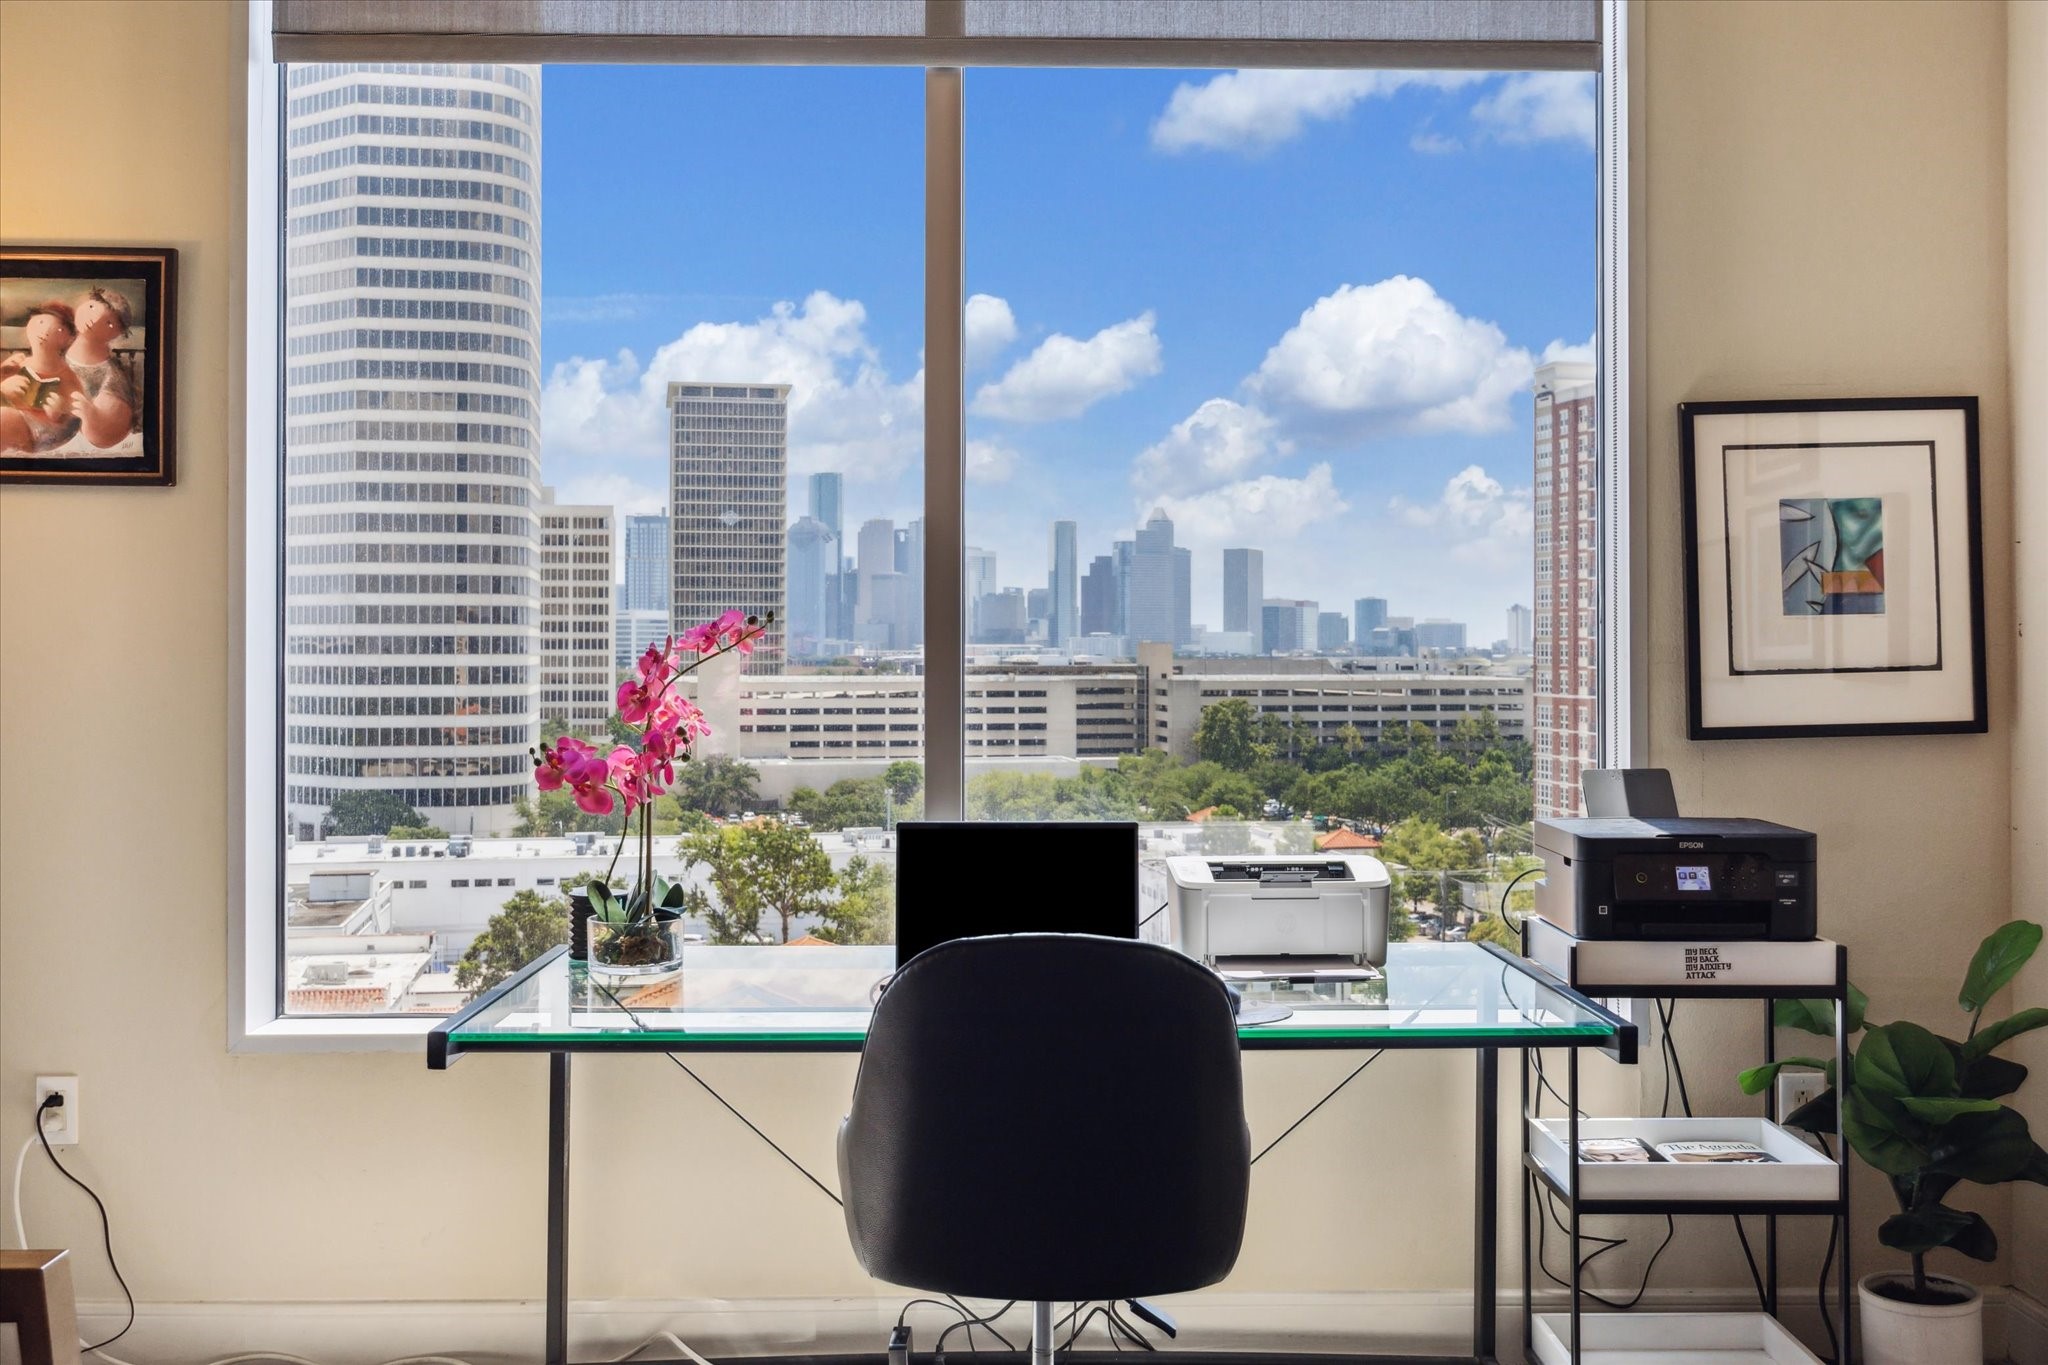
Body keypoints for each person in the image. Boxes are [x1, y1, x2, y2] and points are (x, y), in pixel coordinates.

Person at [0, 302, 84, 454]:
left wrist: (61, 412)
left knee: (4, 417)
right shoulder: (16, 363)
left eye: (58, 330)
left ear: (69, 338)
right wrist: (3, 382)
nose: (44, 332)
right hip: (12, 422)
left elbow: (76, 415)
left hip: (39, 431)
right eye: (40, 322)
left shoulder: (67, 375)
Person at [63, 286, 137, 449]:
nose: (93, 319)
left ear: (117, 333)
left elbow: (115, 428)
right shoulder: (59, 351)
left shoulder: (112, 377)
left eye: (109, 323)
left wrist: (92, 416)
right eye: (91, 307)